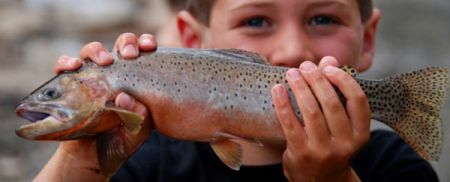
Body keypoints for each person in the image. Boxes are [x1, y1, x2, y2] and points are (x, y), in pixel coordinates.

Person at [36, 0, 439, 181]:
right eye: (257, 21)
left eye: (322, 18)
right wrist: (81, 156)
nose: (292, 49)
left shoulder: (389, 165)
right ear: (192, 40)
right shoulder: (142, 164)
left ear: (367, 40)